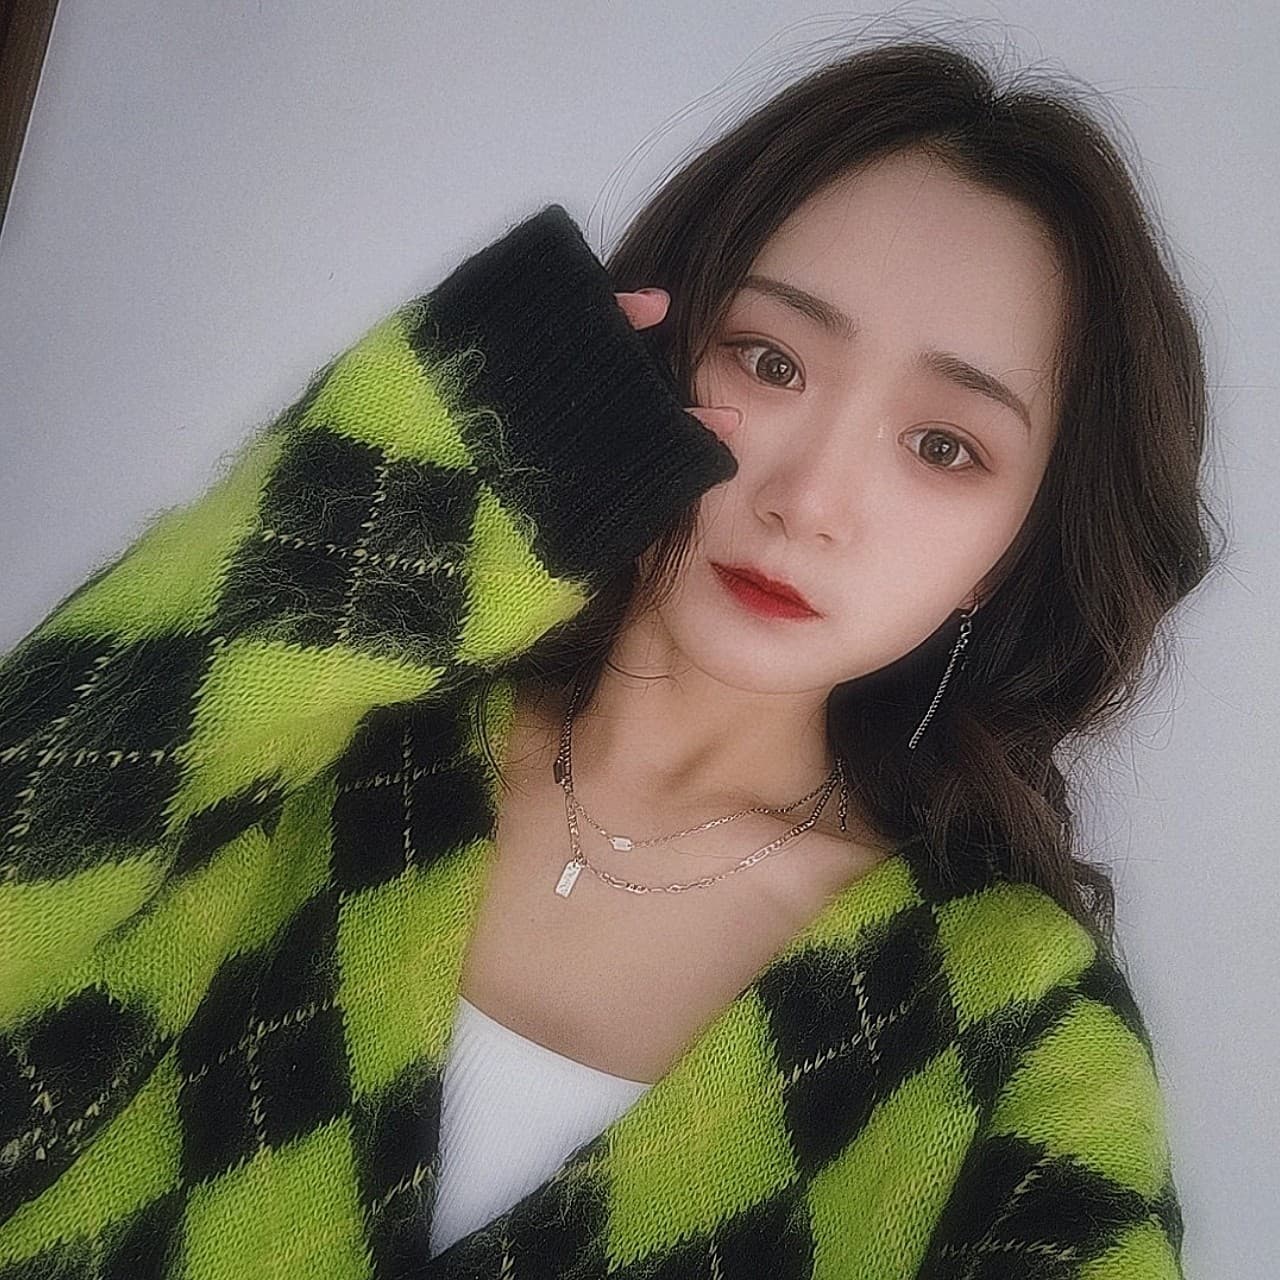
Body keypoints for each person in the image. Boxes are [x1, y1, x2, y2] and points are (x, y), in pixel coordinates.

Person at [0, 36, 1215, 1279]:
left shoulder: (1016, 1030)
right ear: (648, 353)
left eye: (942, 446)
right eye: (770, 360)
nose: (807, 499)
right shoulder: (326, 724)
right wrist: (412, 473)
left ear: (1004, 557)